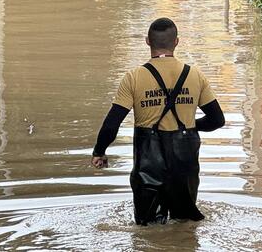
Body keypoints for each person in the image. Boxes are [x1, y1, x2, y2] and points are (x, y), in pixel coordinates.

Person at [92, 18, 225, 225]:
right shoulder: (195, 75)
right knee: (185, 226)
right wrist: (190, 125)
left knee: (148, 229)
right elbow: (217, 120)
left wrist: (99, 151)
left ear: (147, 41)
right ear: (177, 42)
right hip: (184, 164)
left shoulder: (133, 78)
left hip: (148, 165)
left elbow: (112, 124)